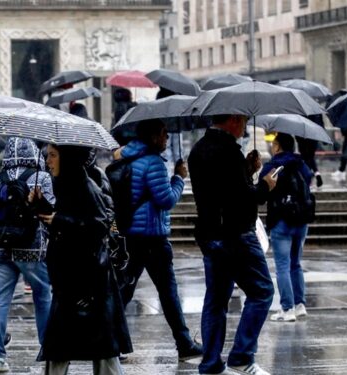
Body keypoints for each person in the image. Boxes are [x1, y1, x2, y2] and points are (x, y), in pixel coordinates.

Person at [188, 114, 277, 375]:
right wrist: (265, 185)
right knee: (262, 292)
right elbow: (243, 199)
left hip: (210, 235)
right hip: (236, 235)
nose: (246, 126)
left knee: (216, 300)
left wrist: (247, 171)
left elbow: (221, 191)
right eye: (244, 120)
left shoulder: (198, 150)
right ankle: (241, 356)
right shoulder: (228, 152)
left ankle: (212, 365)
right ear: (233, 120)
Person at [38, 144, 132, 375]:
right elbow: (61, 219)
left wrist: (61, 220)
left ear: (66, 158)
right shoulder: (66, 184)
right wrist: (38, 205)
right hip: (72, 279)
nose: (48, 161)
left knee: (99, 348)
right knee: (61, 346)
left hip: (89, 281)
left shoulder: (85, 185)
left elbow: (99, 226)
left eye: (52, 156)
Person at [117, 120, 203, 361]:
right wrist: (178, 178)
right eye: (164, 134)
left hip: (131, 236)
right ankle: (184, 343)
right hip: (152, 238)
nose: (166, 138)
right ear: (153, 136)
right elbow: (165, 200)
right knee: (168, 293)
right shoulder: (153, 162)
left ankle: (111, 341)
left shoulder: (127, 157)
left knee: (124, 290)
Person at [0, 137, 53, 373]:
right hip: (31, 248)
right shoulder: (42, 177)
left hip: (0, 246)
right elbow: (50, 211)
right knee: (43, 297)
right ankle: (48, 351)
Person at [258, 134, 314, 323]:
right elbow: (309, 180)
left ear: (278, 146)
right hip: (301, 219)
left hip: (281, 220)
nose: (272, 147)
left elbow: (262, 190)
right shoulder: (301, 163)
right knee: (295, 263)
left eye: (274, 143)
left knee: (282, 265)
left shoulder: (273, 166)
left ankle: (287, 308)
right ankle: (300, 305)